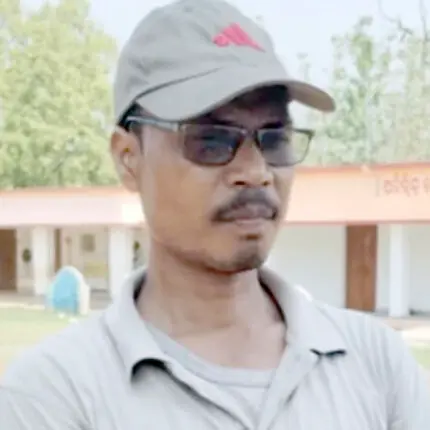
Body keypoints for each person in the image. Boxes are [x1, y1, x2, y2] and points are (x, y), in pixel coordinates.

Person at [1, 0, 429, 428]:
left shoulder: (377, 365)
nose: (256, 172)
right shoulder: (51, 397)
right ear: (129, 158)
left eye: (274, 138)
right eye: (211, 140)